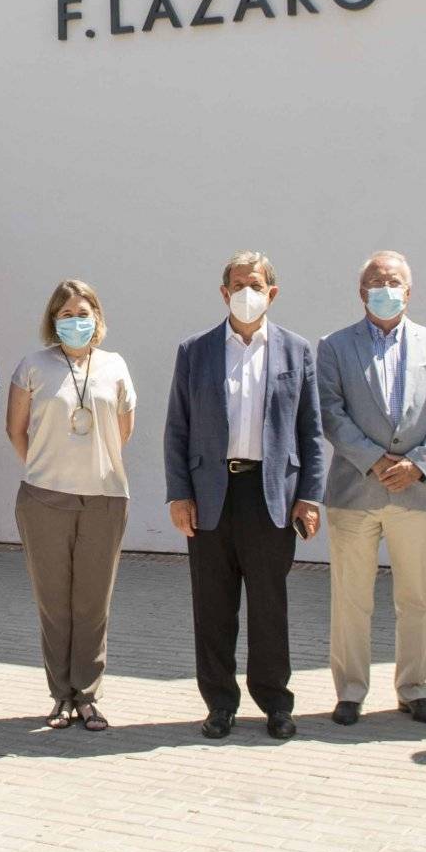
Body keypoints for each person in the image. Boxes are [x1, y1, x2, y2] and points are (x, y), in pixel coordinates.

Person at [164, 251, 325, 739]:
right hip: (212, 491)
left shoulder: (296, 351)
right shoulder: (196, 350)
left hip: (271, 493)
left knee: (269, 605)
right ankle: (219, 703)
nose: (246, 293)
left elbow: (310, 432)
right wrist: (179, 494)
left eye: (255, 284)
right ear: (223, 292)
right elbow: (178, 427)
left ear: (272, 292)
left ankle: (275, 701)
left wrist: (310, 496)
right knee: (213, 606)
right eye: (237, 284)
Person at [316, 250, 426, 726]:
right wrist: (377, 461)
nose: (386, 288)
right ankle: (351, 690)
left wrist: (418, 465)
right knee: (351, 598)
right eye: (376, 281)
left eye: (394, 280)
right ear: (362, 292)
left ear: (409, 289)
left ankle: (413, 687)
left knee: (417, 597)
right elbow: (331, 413)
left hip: (416, 491)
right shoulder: (334, 346)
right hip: (356, 490)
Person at [6, 279, 136, 732]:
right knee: (54, 603)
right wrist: (50, 468)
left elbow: (123, 430)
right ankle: (60, 695)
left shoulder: (115, 366)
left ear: (97, 317)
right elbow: (16, 430)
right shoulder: (32, 366)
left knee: (93, 604)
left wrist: (90, 466)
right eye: (65, 315)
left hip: (104, 498)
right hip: (44, 499)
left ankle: (87, 695)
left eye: (82, 313)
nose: (75, 322)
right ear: (52, 320)